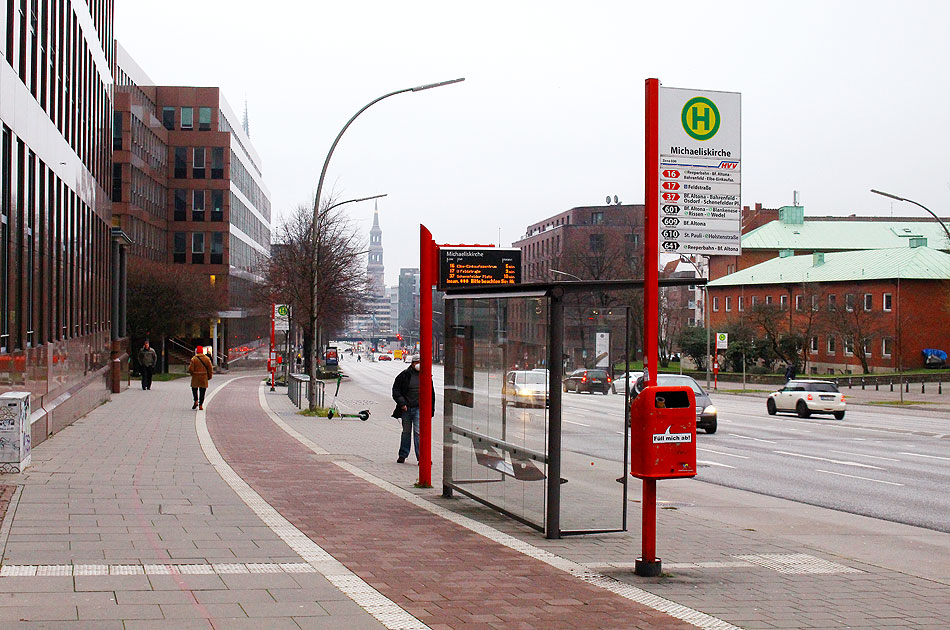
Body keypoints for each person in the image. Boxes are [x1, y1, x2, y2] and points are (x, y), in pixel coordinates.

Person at [391, 354, 435, 464]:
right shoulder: (404, 375)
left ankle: (421, 457)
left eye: (420, 362)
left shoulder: (426, 376)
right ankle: (403, 454)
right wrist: (402, 403)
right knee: (406, 432)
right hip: (406, 408)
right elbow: (396, 390)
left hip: (419, 408)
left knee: (418, 432)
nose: (418, 365)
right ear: (412, 363)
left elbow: (431, 394)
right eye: (416, 362)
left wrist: (430, 410)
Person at [188, 346, 214, 410]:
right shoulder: (207, 359)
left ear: (197, 352)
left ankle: (196, 400)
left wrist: (192, 374)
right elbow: (210, 368)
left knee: (194, 389)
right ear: (202, 351)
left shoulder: (194, 359)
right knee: (202, 391)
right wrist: (209, 376)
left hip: (195, 376)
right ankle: (201, 405)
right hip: (204, 376)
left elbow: (190, 369)